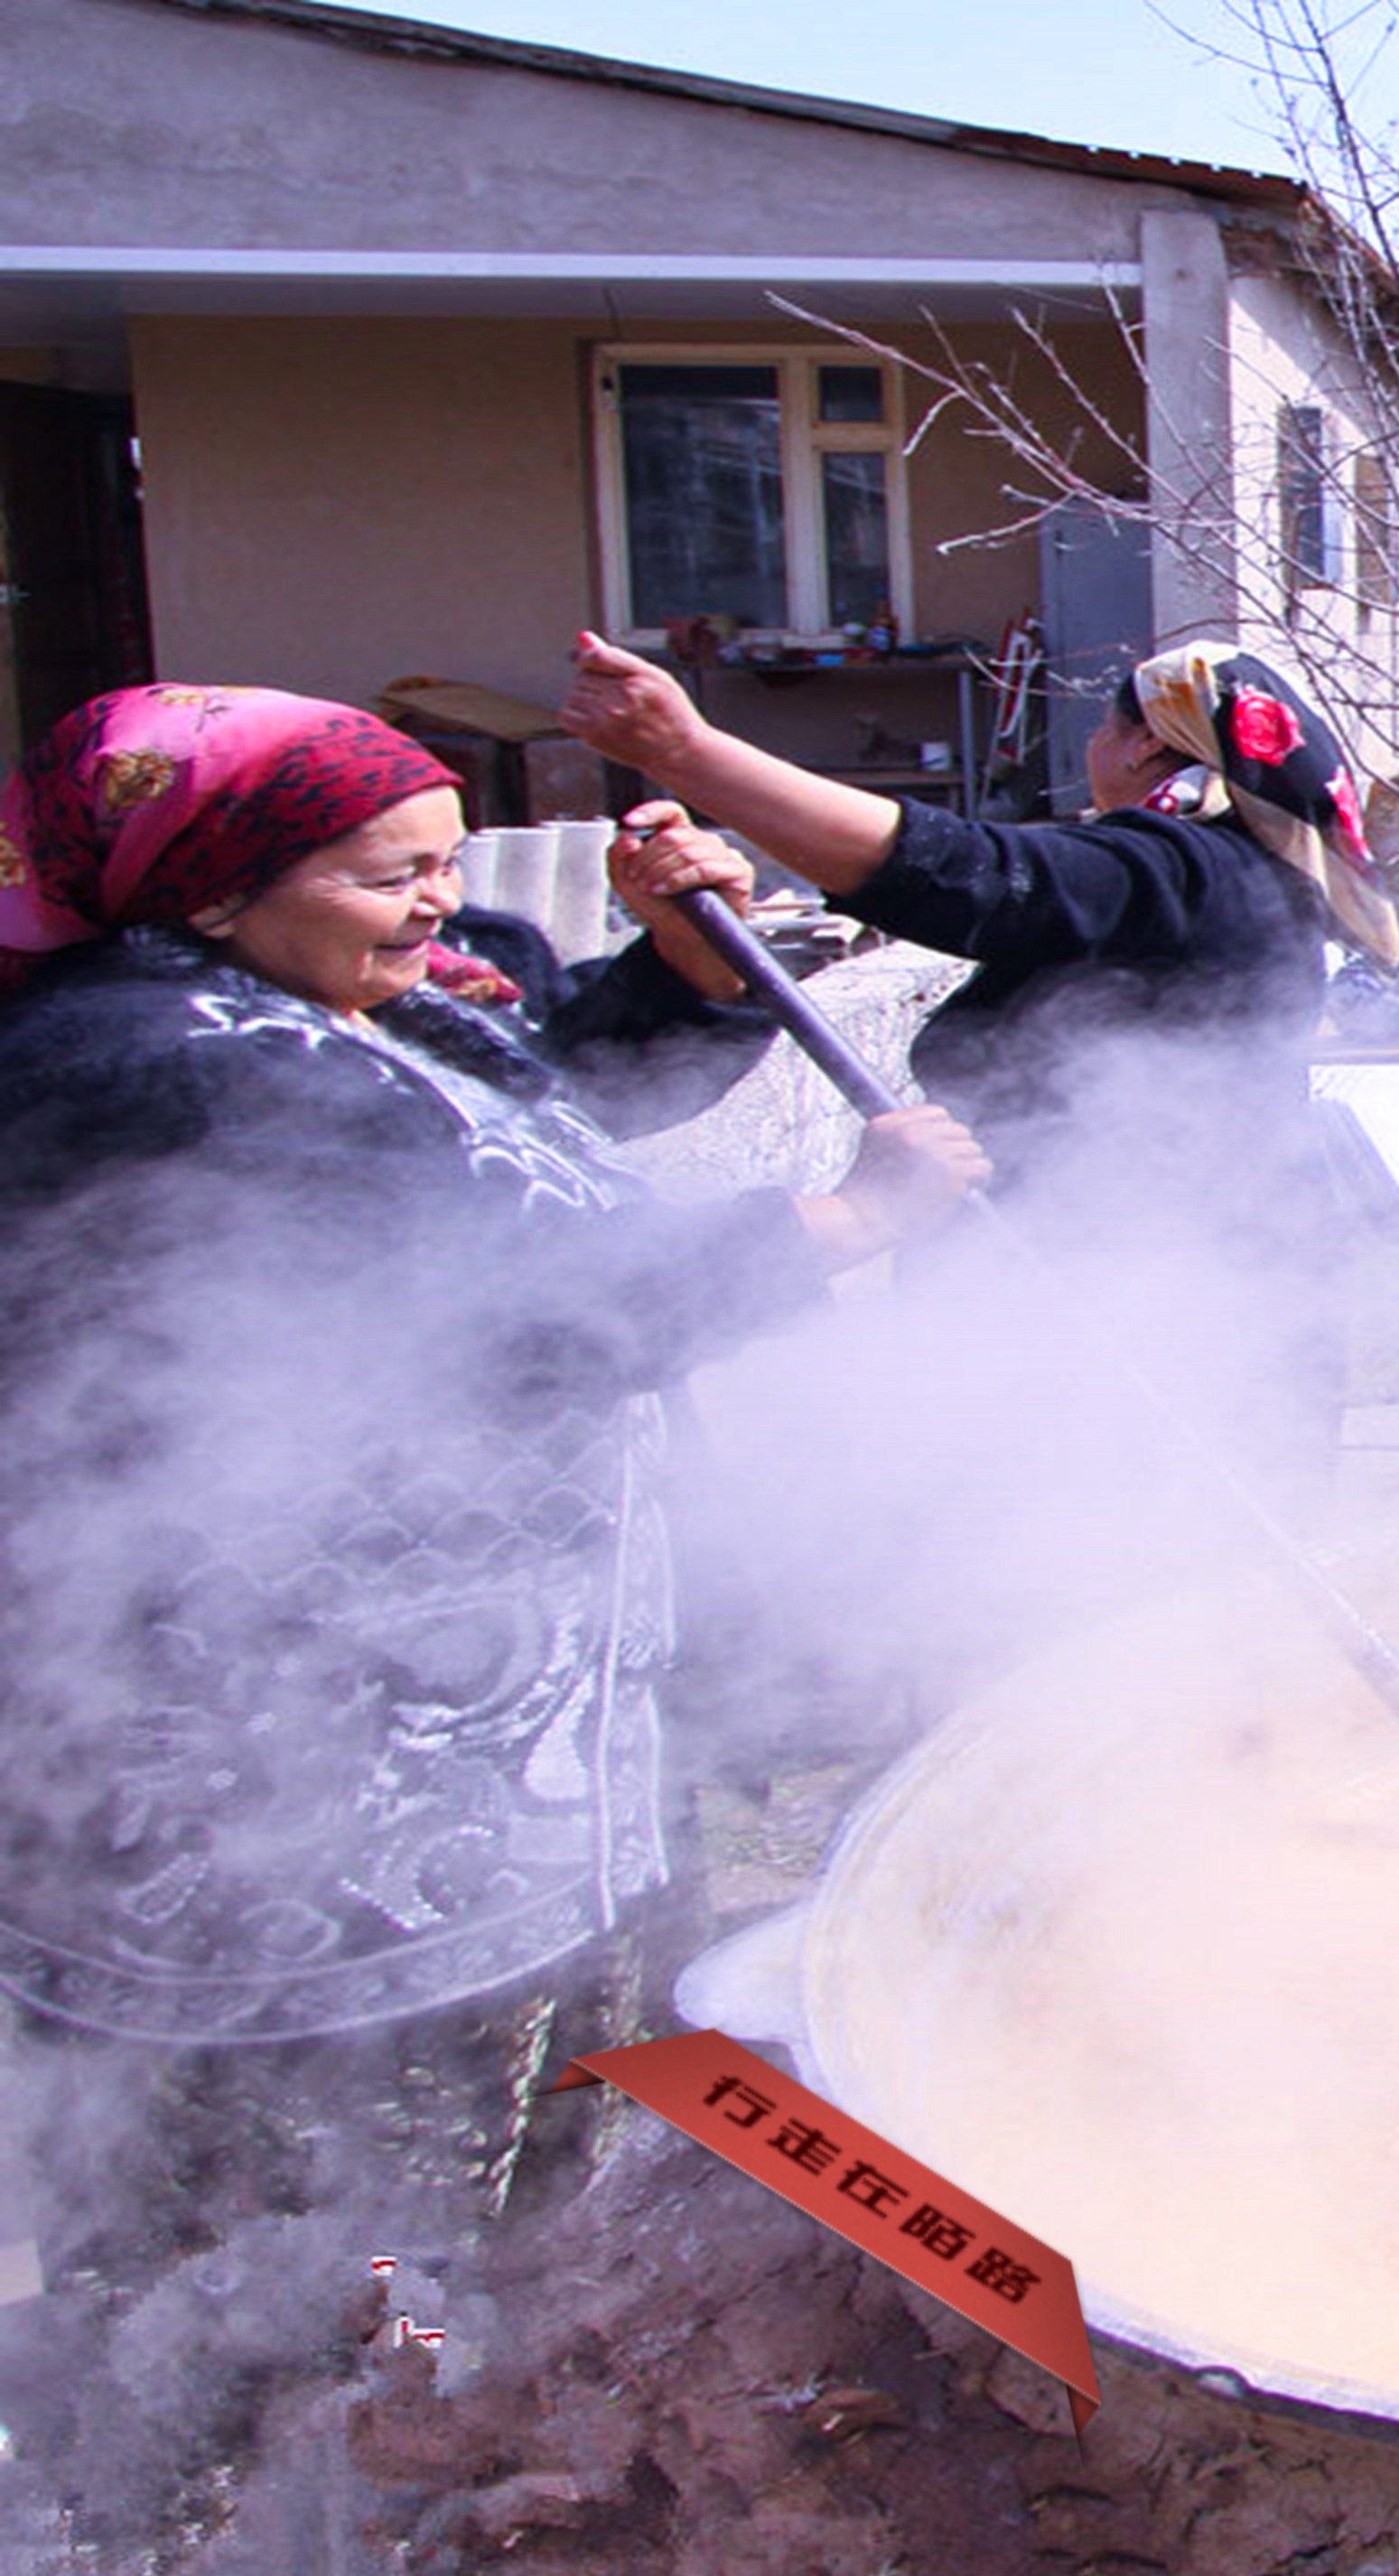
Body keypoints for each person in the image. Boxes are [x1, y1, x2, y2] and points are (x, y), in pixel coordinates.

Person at [0, 684, 984, 2291]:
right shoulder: (157, 1066)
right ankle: (302, 2434)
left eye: (447, 862)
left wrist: (683, 969)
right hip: (298, 1806)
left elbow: (533, 1100)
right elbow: (507, 1309)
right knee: (329, 2244)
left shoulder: (325, 1003)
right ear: (211, 885)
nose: (438, 905)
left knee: (515, 2213)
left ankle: (469, 2412)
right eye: (390, 874)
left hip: (488, 1779)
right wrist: (847, 1226)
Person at [558, 629, 1394, 1490]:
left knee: (1118, 1546)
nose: (1094, 749)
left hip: (1120, 1319)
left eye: (1103, 730)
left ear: (1146, 742)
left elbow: (969, 876)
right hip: (1157, 1302)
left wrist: (687, 753)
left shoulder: (1186, 870)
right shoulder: (1239, 875)